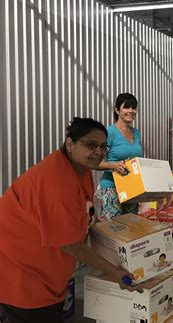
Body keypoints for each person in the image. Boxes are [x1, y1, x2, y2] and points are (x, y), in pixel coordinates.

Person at [0, 118, 139, 323]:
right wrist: (115, 271)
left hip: (47, 271)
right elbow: (70, 245)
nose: (99, 151)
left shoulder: (79, 169)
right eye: (91, 145)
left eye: (103, 146)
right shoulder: (57, 182)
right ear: (70, 144)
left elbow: (81, 215)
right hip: (24, 277)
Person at [98, 93, 143, 220]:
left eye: (133, 108)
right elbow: (96, 162)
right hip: (112, 186)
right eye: (126, 107)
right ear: (117, 110)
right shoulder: (109, 132)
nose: (131, 111)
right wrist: (114, 166)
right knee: (114, 228)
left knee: (131, 226)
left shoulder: (136, 133)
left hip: (132, 187)